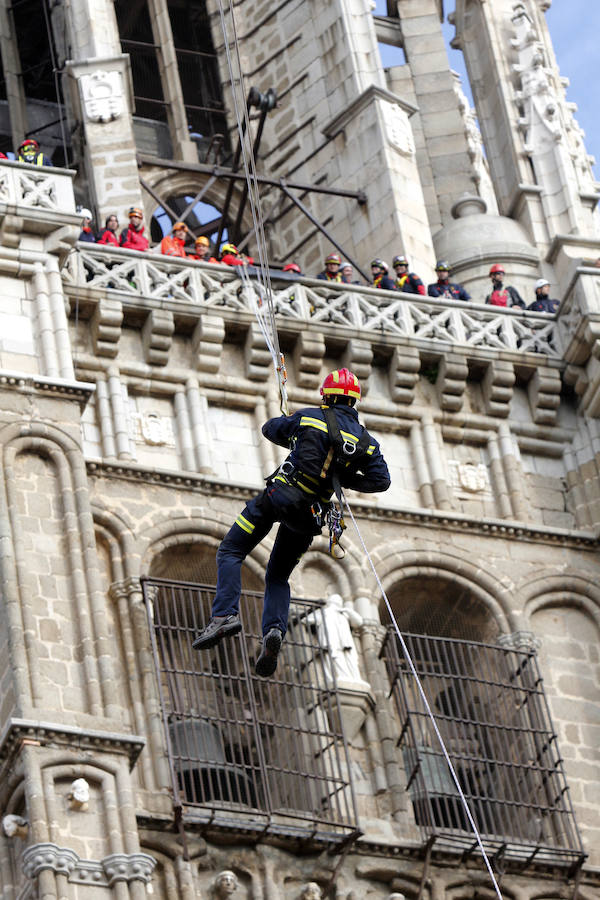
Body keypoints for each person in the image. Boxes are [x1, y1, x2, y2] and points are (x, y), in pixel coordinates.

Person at [192, 368, 390, 677]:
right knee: (277, 576)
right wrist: (344, 476)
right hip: (310, 516)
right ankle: (274, 631)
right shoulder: (365, 441)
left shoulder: (309, 417)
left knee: (231, 551)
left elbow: (270, 429)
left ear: (326, 396)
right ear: (354, 402)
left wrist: (294, 434)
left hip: (277, 498)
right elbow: (381, 481)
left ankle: (224, 616)